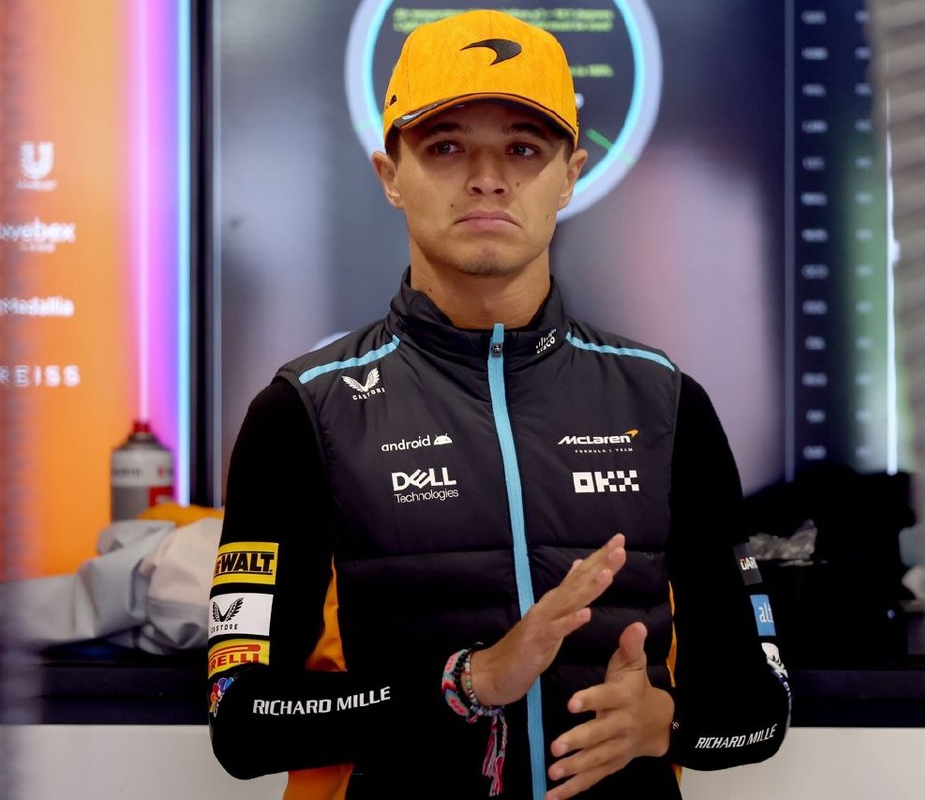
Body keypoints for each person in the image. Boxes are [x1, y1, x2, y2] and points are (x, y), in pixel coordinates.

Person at [207, 9, 790, 800]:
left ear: (570, 175)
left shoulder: (666, 403)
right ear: (390, 174)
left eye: (522, 148)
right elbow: (242, 722)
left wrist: (668, 725)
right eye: (446, 147)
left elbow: (761, 710)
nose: (488, 177)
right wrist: (469, 682)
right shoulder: (302, 414)